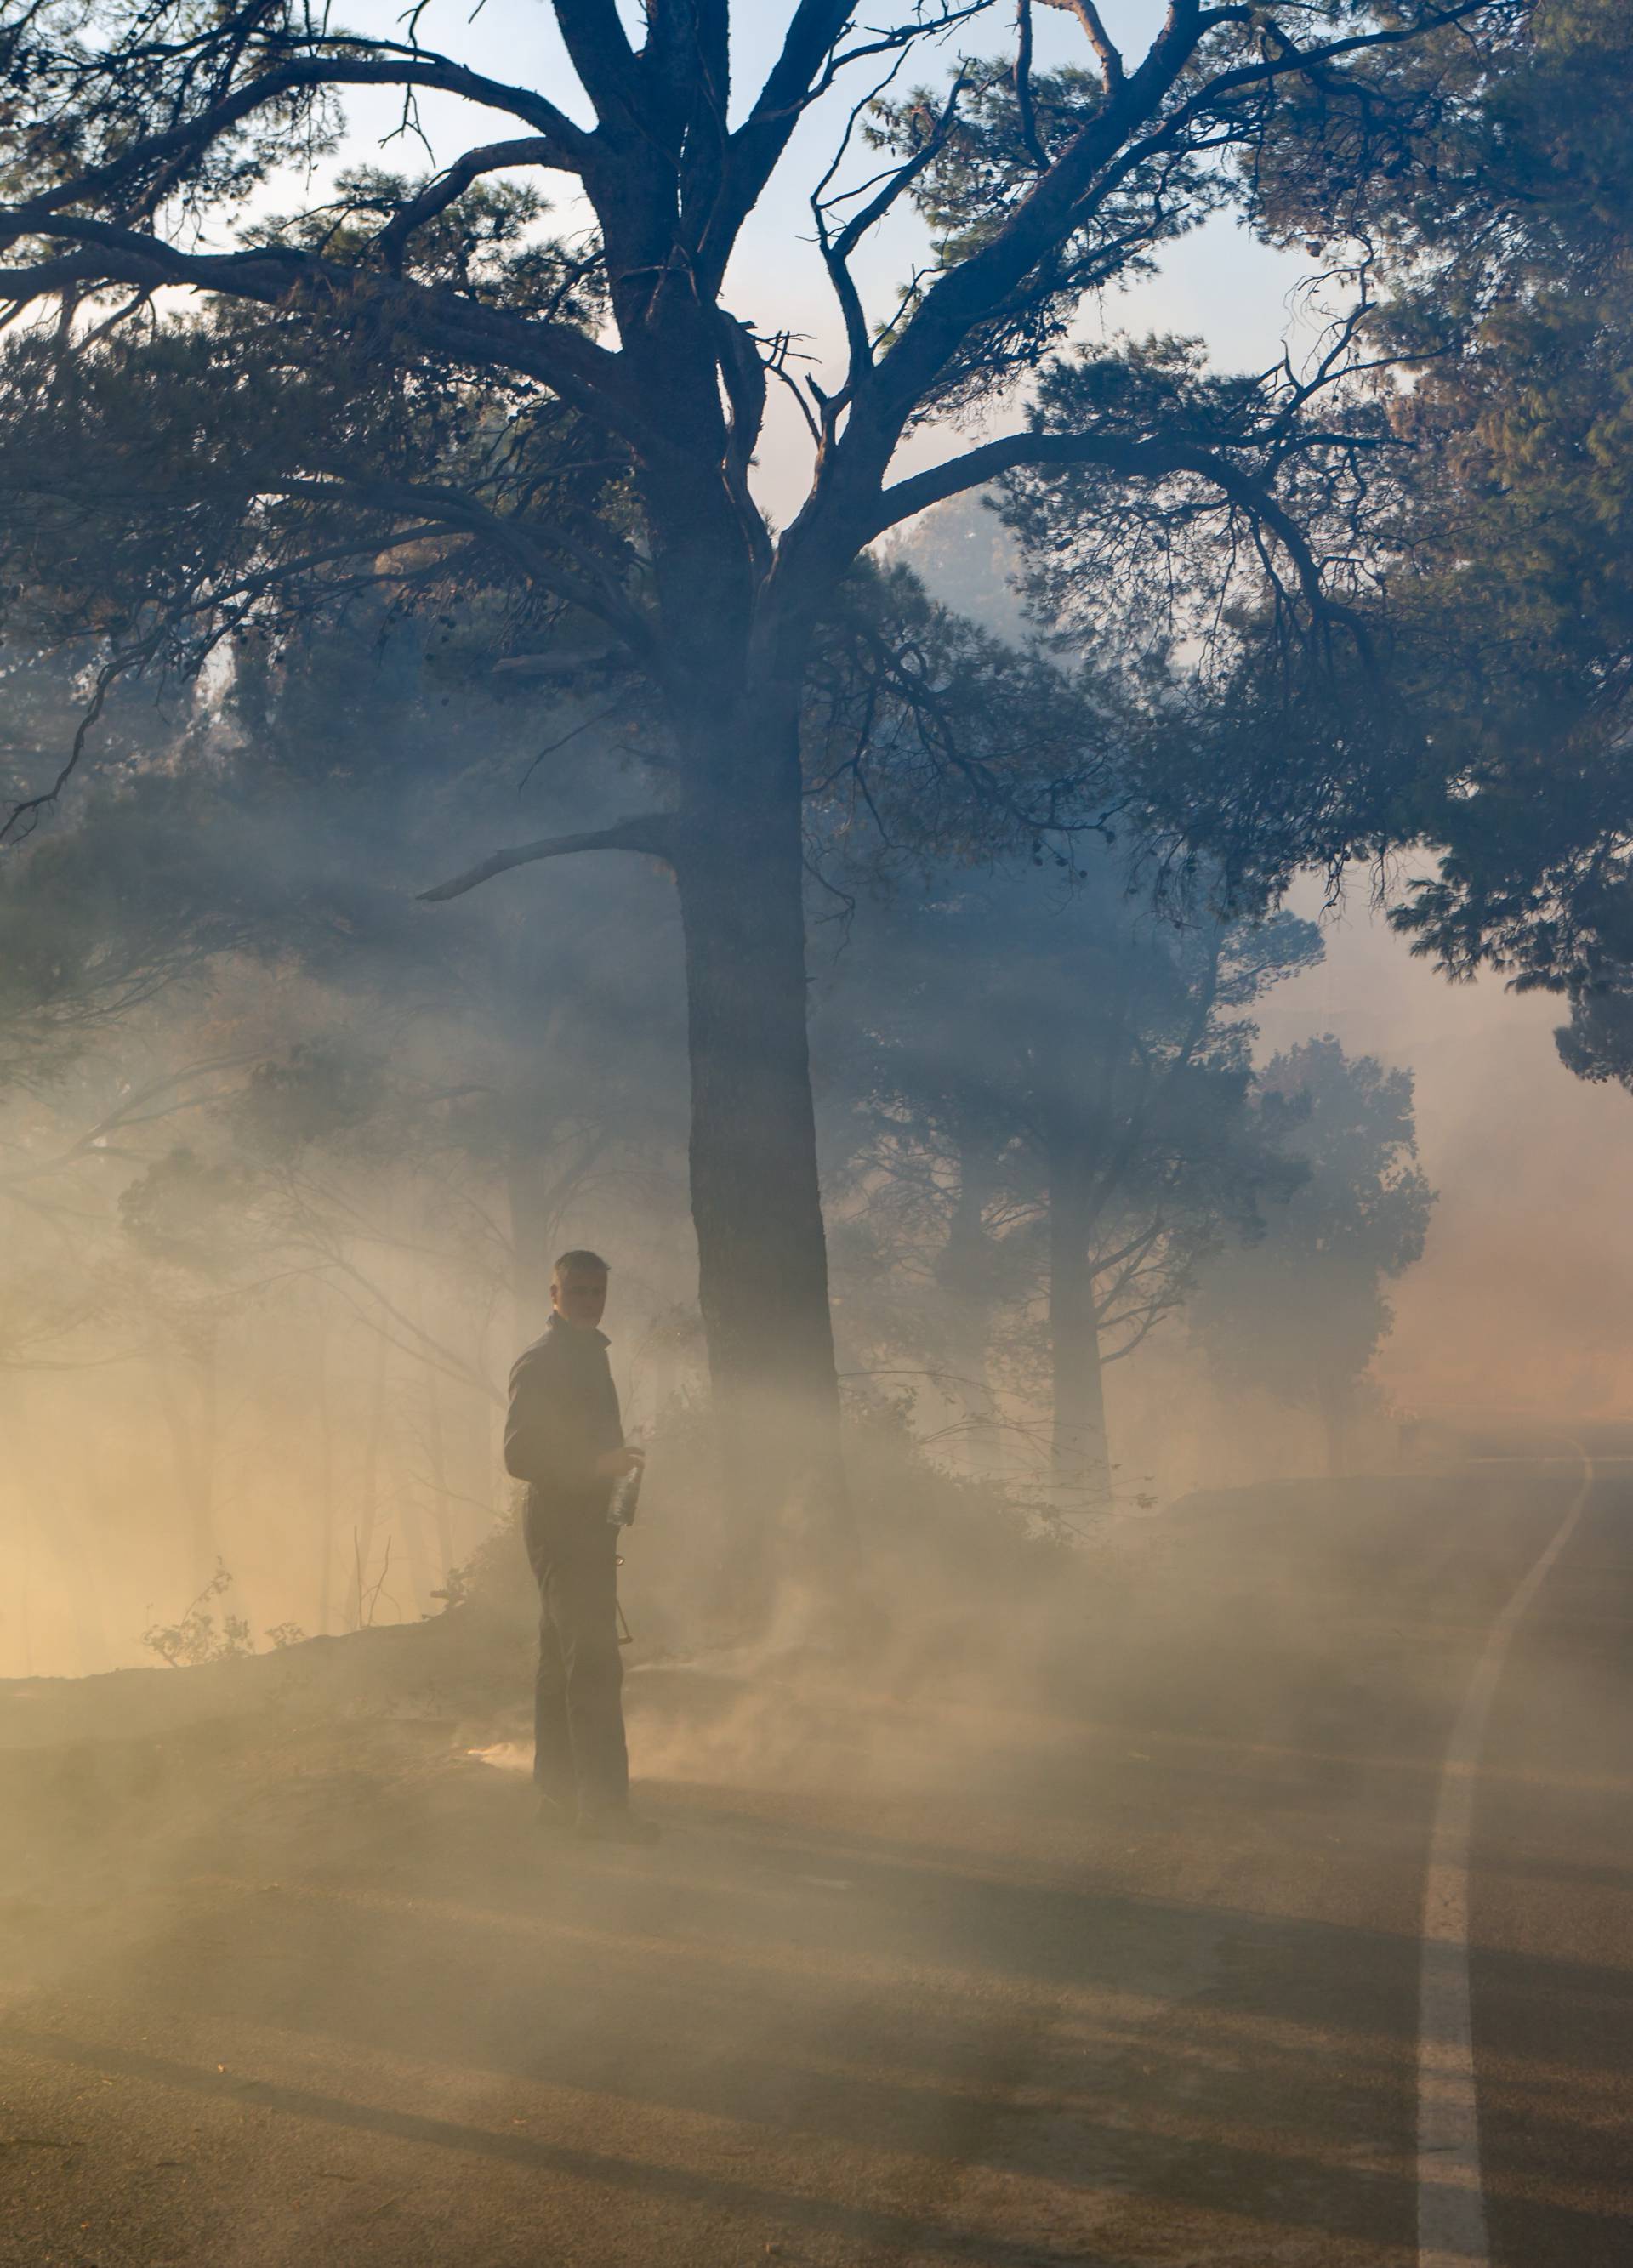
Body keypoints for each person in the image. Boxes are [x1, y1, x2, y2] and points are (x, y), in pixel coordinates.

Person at [504, 1249, 657, 1845]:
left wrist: (619, 1483)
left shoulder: (591, 1358)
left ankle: (559, 1798)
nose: (590, 1301)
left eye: (597, 1291)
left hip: (586, 1527)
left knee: (560, 1664)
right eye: (578, 1291)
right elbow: (520, 1456)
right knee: (593, 1665)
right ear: (554, 1295)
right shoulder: (542, 1363)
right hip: (561, 1530)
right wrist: (600, 1464)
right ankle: (606, 1811)